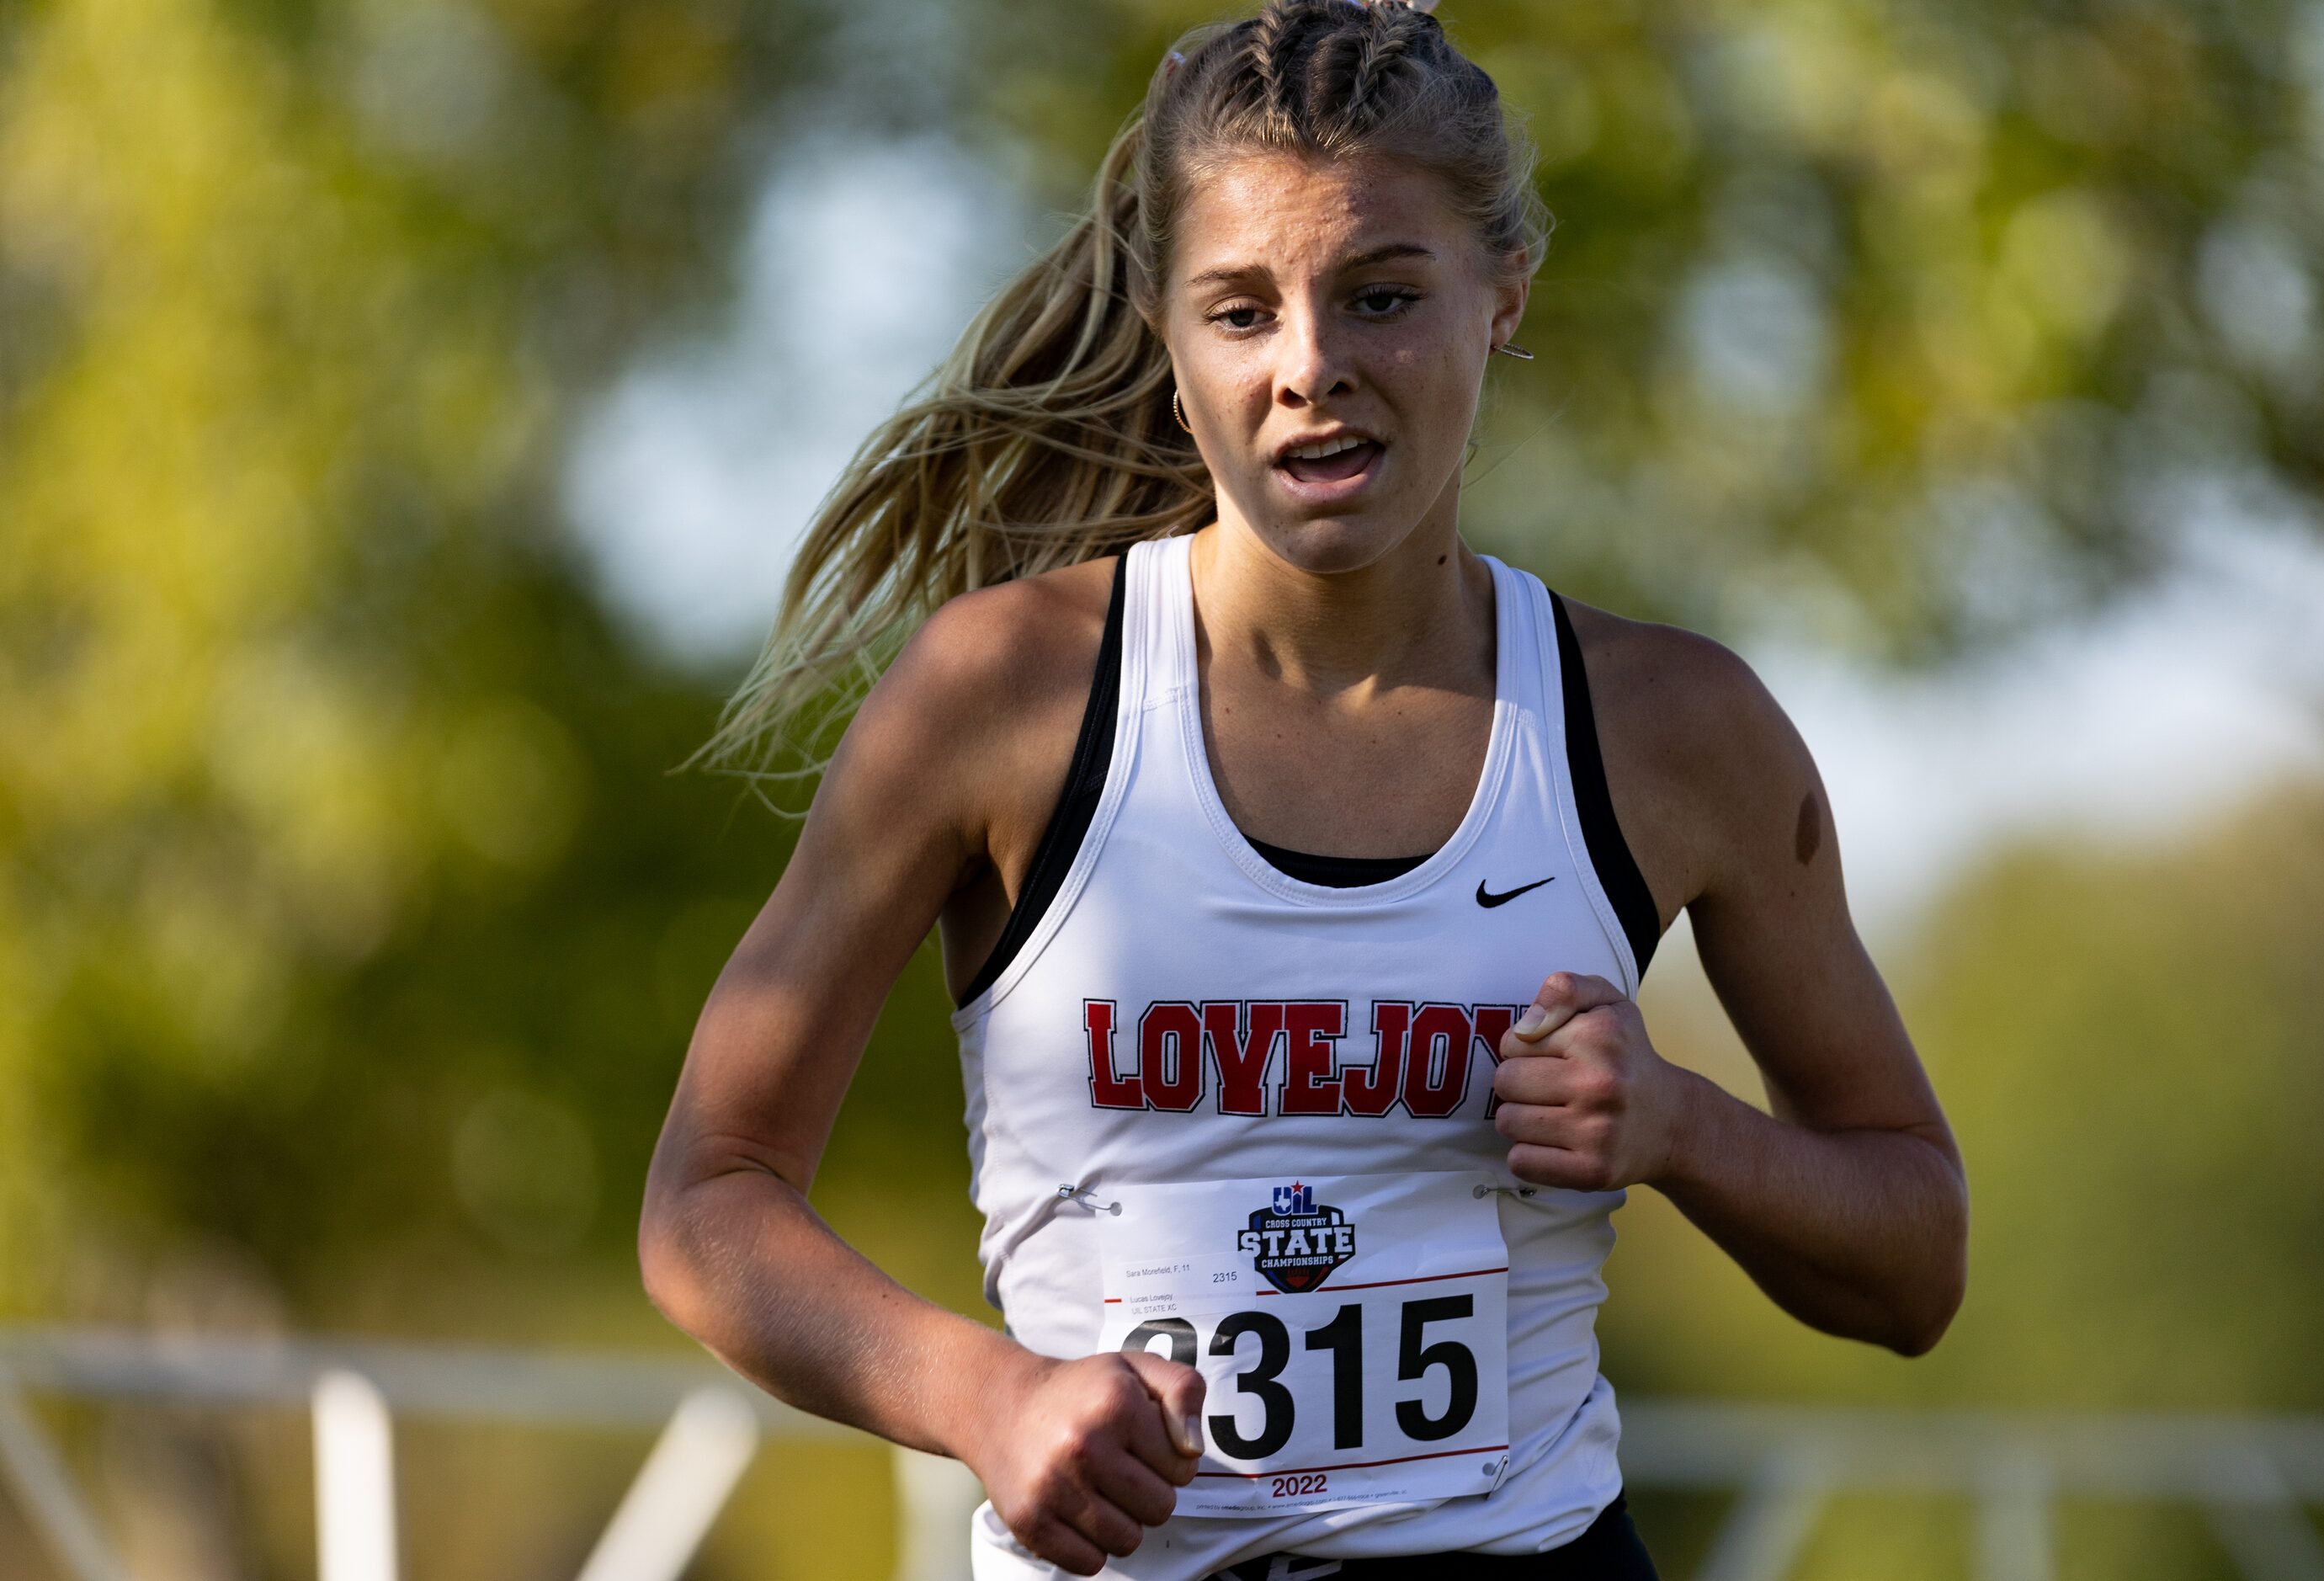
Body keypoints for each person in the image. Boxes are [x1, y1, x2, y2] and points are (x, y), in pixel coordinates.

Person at [637, 1, 1969, 1575]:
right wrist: (989, 1397)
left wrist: (1678, 1125)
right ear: (1165, 327)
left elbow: (1913, 1258)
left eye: (1383, 295)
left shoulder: (1673, 727)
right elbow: (706, 1204)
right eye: (1241, 311)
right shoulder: (1002, 696)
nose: (1313, 369)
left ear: (1502, 293)